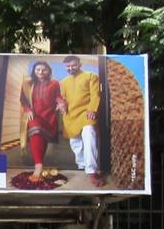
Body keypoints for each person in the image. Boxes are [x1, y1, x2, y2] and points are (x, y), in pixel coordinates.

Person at [60, 55, 105, 187]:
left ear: (80, 65)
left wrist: (93, 110)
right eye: (68, 66)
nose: (70, 68)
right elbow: (62, 98)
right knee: (76, 143)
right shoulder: (63, 82)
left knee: (88, 134)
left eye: (73, 65)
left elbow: (95, 95)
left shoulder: (91, 76)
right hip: (70, 115)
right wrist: (62, 105)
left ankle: (91, 170)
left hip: (87, 113)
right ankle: (82, 166)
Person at [18, 60, 63, 180]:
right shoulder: (27, 84)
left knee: (42, 139)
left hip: (49, 116)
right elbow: (23, 99)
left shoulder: (54, 83)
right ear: (34, 71)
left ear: (49, 71)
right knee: (36, 132)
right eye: (38, 70)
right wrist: (28, 110)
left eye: (44, 70)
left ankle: (39, 163)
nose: (41, 72)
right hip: (34, 115)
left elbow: (58, 97)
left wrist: (60, 103)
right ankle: (38, 166)